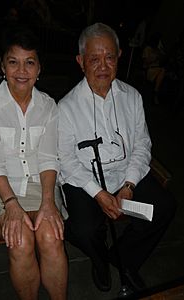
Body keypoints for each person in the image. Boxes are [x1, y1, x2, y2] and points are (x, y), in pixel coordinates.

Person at [58, 22, 176, 294]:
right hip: (85, 180)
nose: (102, 66)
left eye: (109, 57)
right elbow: (67, 160)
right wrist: (99, 194)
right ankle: (99, 260)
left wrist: (129, 186)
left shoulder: (132, 97)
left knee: (164, 207)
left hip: (125, 175)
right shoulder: (66, 108)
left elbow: (143, 144)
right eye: (94, 59)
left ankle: (124, 258)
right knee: (84, 229)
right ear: (81, 61)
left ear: (119, 56)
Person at [0, 23, 68, 300]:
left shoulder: (49, 106)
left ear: (39, 69)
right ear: (2, 66)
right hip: (1, 189)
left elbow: (49, 158)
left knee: (52, 237)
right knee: (20, 241)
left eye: (30, 62)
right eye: (13, 62)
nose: (21, 71)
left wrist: (49, 202)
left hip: (42, 185)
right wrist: (11, 205)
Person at [142, 32, 166, 104]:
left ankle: (156, 92)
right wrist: (154, 58)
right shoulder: (147, 49)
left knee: (162, 71)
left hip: (157, 69)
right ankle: (155, 93)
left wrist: (161, 53)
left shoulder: (158, 50)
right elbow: (145, 62)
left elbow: (163, 60)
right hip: (149, 69)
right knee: (162, 71)